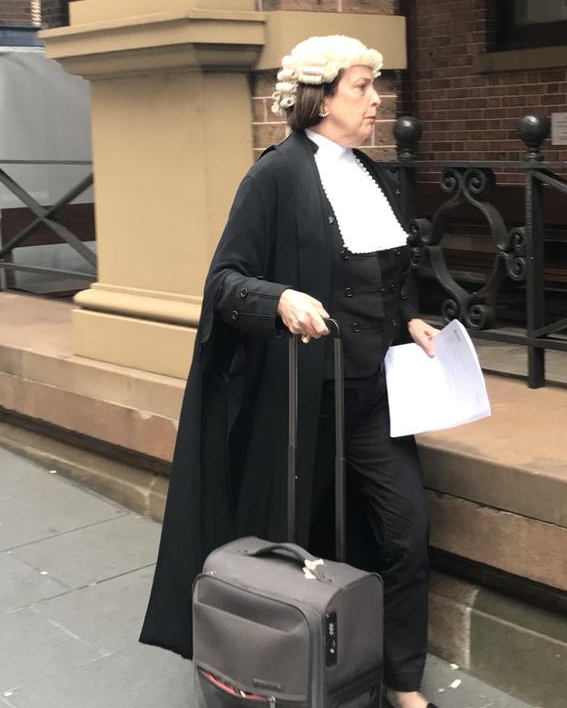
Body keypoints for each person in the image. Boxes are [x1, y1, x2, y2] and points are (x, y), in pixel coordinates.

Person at [139, 35, 441, 708]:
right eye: (363, 86)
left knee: (405, 533)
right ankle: (281, 677)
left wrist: (413, 319)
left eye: (374, 87)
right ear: (323, 97)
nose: (376, 100)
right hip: (304, 407)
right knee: (295, 548)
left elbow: (389, 277)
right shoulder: (273, 176)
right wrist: (277, 299)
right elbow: (225, 281)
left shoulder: (376, 175)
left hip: (375, 401)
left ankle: (400, 680)